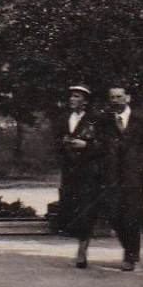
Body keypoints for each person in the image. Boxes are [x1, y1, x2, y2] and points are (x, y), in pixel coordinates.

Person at [101, 86, 143, 271]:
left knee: (131, 216)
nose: (115, 100)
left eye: (119, 96)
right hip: (112, 177)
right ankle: (130, 249)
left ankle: (130, 255)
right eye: (112, 97)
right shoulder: (105, 122)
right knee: (114, 216)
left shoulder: (141, 122)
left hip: (135, 177)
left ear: (128, 98)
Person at [56, 85, 103, 268]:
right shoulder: (63, 119)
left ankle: (82, 252)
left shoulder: (95, 120)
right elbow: (56, 144)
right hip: (69, 172)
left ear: (85, 101)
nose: (72, 100)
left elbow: (103, 147)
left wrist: (86, 146)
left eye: (76, 97)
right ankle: (80, 245)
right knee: (71, 209)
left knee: (86, 211)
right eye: (71, 97)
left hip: (89, 173)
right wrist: (63, 144)